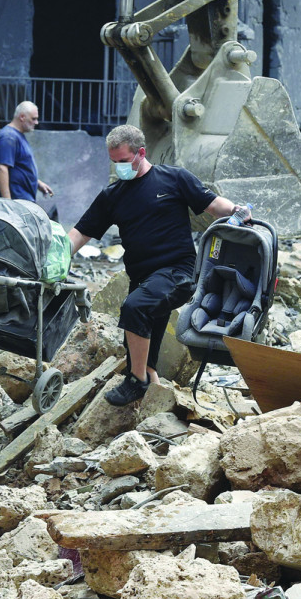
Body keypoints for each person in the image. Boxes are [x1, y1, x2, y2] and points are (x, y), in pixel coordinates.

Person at [67, 124, 250, 407]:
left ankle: (136, 383)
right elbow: (81, 233)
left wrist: (237, 210)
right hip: (142, 278)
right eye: (114, 163)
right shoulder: (113, 196)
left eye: (124, 162)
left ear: (141, 153)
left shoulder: (173, 179)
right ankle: (152, 395)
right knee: (142, 344)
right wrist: (57, 255)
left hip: (178, 272)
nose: (119, 169)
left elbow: (213, 204)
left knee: (134, 307)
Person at [0, 101, 55, 208]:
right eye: (33, 119)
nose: (36, 122)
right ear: (22, 117)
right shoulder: (8, 137)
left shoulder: (17, 136)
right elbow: (2, 168)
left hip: (21, 202)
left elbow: (18, 168)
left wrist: (37, 183)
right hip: (16, 204)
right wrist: (8, 204)